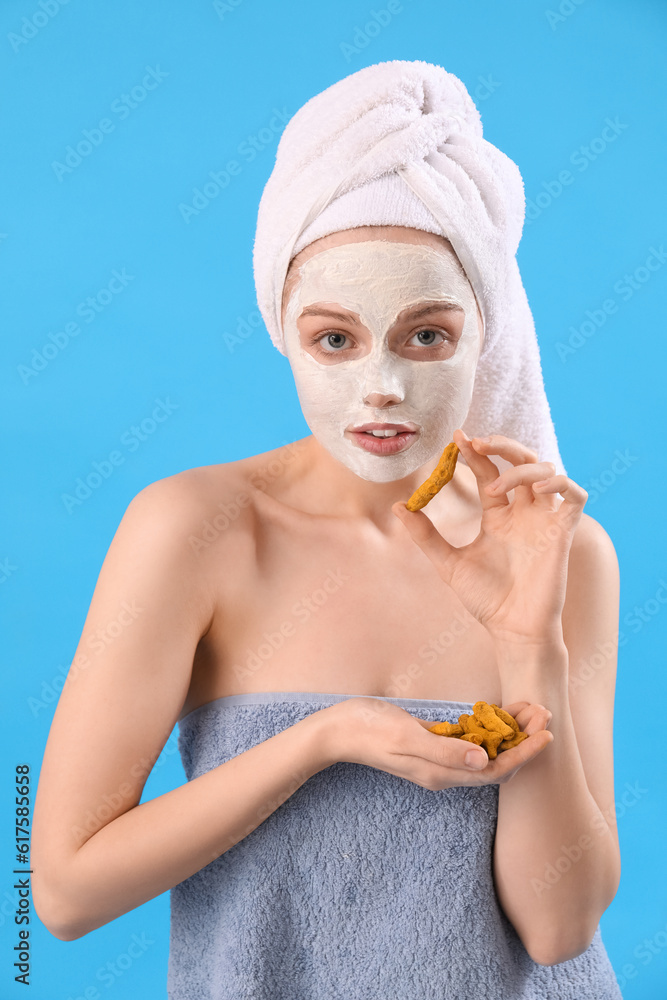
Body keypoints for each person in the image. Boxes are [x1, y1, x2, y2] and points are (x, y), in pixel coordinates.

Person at [31, 61, 622, 998]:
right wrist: (323, 737)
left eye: (426, 334)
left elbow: (557, 931)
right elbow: (63, 893)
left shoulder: (559, 549)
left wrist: (526, 649)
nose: (380, 386)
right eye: (335, 338)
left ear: (485, 332)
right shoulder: (197, 531)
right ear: (282, 331)